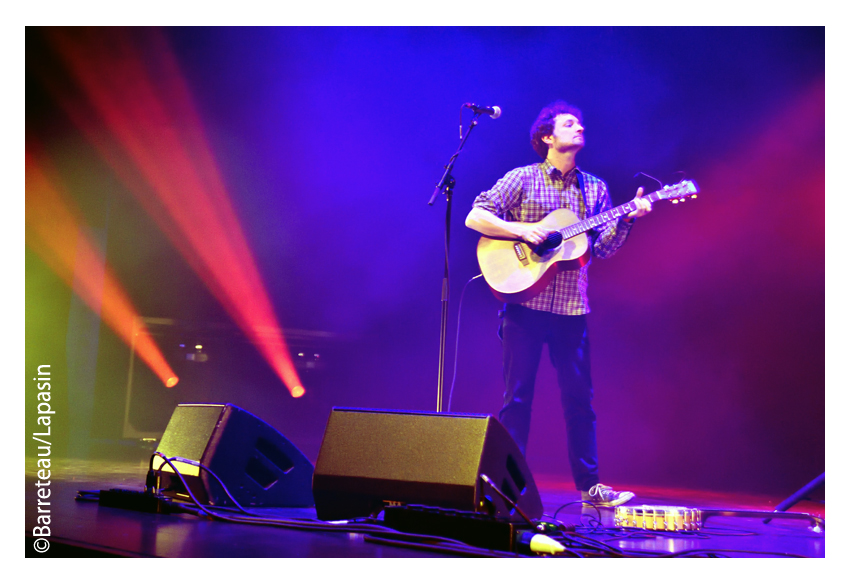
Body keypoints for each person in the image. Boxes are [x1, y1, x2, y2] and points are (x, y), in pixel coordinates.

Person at [465, 100, 651, 507]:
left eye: (581, 123)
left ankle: (591, 488)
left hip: (571, 312)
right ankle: (507, 485)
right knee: (517, 400)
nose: (580, 127)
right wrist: (524, 231)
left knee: (579, 401)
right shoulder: (522, 179)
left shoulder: (595, 188)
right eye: (570, 124)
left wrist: (628, 218)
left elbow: (602, 248)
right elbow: (475, 217)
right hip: (524, 308)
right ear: (547, 137)